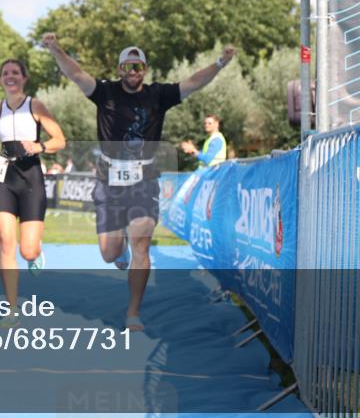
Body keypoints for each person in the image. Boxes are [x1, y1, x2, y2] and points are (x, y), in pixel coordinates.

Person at [42, 33, 236, 331]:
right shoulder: (104, 92)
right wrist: (55, 48)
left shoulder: (159, 94)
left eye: (139, 67)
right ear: (120, 69)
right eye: (128, 66)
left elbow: (195, 82)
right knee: (109, 253)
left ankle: (133, 312)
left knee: (141, 243)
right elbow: (75, 73)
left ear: (144, 69)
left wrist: (220, 63)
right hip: (109, 178)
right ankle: (119, 251)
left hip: (144, 177)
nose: (134, 72)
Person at [0, 59, 66, 326]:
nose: (10, 77)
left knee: (27, 251)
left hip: (31, 177)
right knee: (6, 242)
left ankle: (36, 252)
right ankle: (12, 308)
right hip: (4, 179)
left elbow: (60, 139)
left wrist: (39, 146)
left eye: (15, 73)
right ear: (0, 80)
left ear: (24, 78)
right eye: (5, 73)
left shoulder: (35, 106)